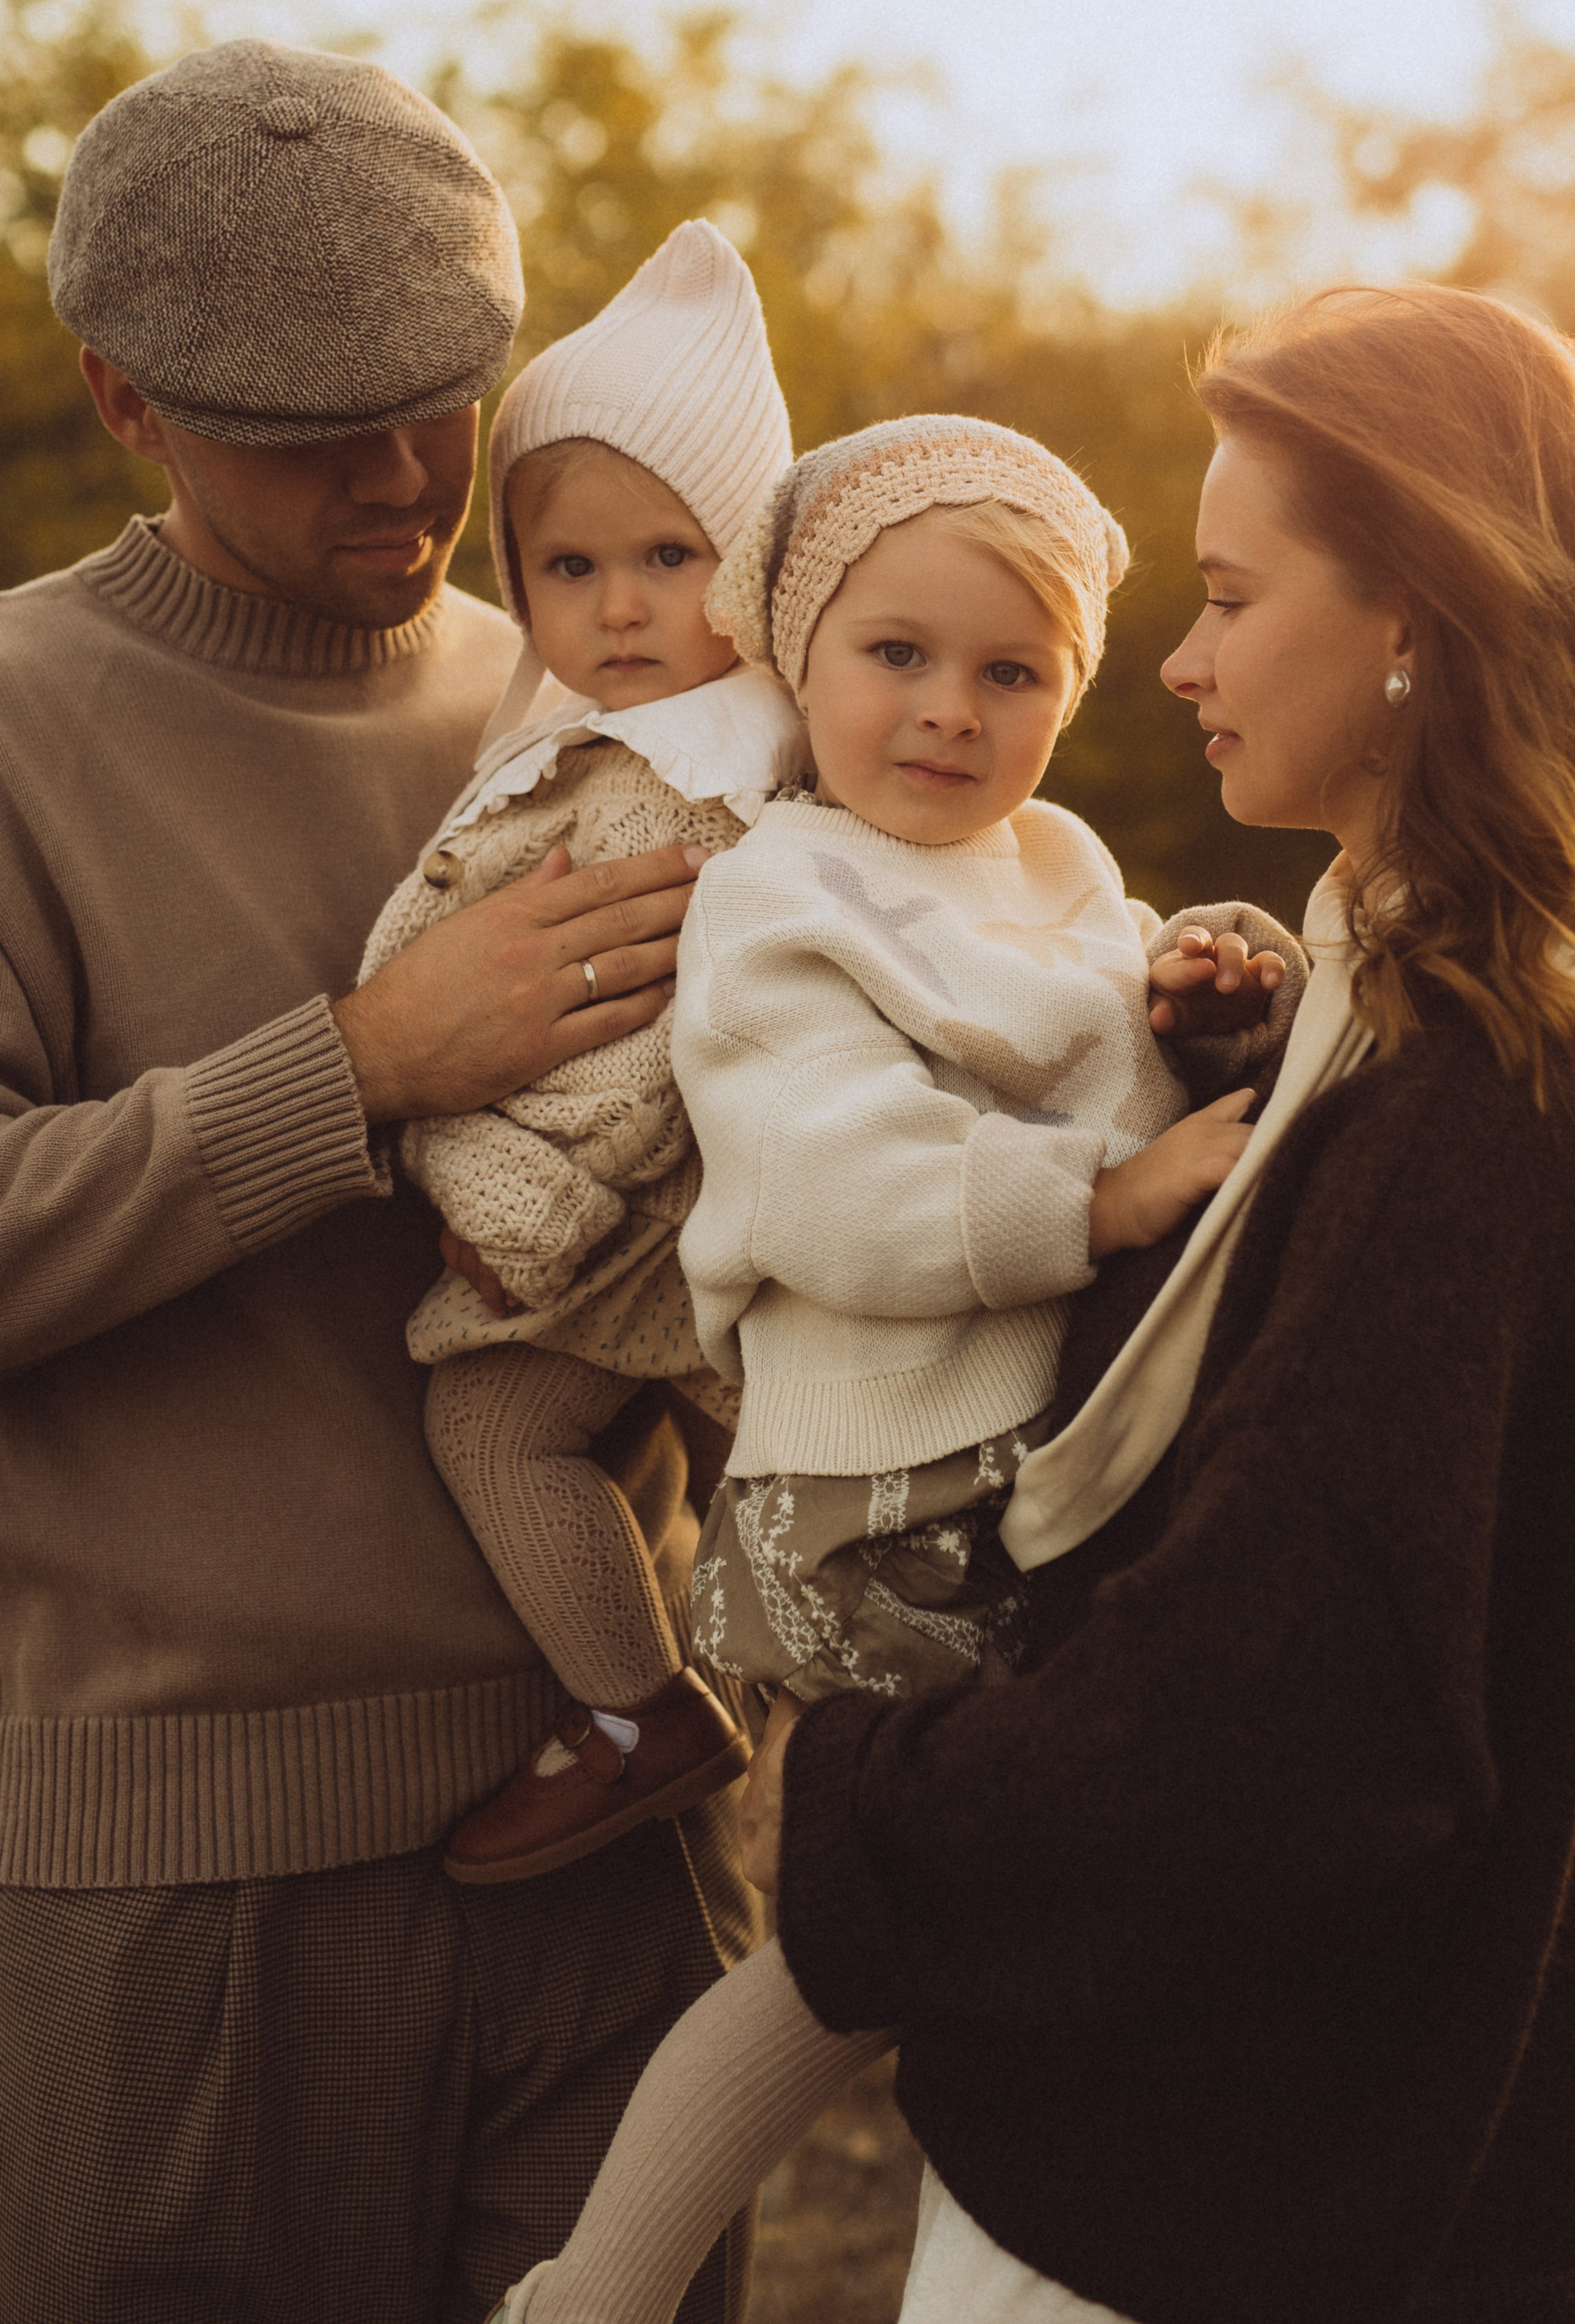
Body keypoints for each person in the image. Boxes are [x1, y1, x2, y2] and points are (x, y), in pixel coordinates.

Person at [730, 286, 1575, 2323]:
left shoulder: (1465, 1096)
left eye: (1226, 593)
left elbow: (1275, 1722)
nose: (1183, 662)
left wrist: (862, 1779)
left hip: (1221, 2200)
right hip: (1287, 2160)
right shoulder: (1413, 1025)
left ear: (1415, 617)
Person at [0, 38, 758, 2324]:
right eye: (313, 420)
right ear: (125, 397)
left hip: (610, 1838)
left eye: (446, 390)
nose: (416, 468)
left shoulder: (608, 690)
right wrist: (354, 1067)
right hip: (175, 1902)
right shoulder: (20, 720)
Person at [483, 413, 1301, 2324]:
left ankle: (1046, 2215)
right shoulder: (783, 891)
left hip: (1027, 1470)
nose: (947, 712)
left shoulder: (1060, 861)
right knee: (861, 1938)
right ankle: (596, 2288)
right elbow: (826, 1176)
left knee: (994, 1901)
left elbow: (1098, 1034)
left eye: (1009, 672)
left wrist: (1191, 995)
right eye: (895, 657)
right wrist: (1099, 1205)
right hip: (866, 1497)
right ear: (800, 655)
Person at [360, 217, 807, 1884]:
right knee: (807, 1488)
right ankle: (746, 1705)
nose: (617, 609)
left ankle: (646, 1710)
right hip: (650, 1236)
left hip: (634, 1227)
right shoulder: (592, 736)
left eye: (670, 560)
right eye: (568, 569)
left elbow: (640, 1038)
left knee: (492, 1424)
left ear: (752, 565)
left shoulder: (692, 781)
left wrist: (504, 1205)